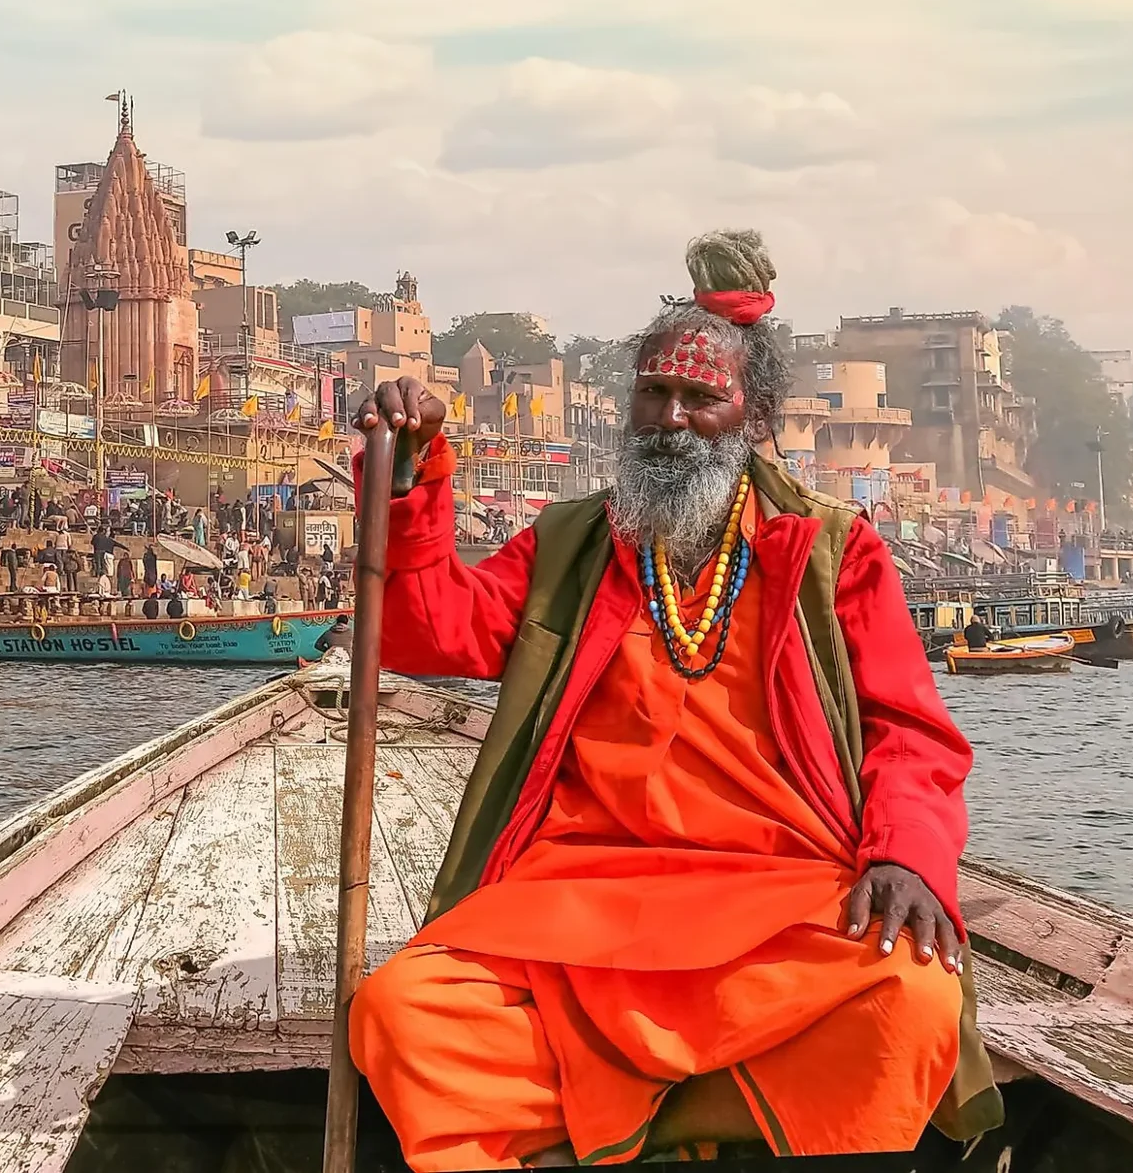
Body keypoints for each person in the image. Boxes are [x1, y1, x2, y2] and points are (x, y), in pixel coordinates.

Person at [346, 231, 987, 1168]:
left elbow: (912, 734)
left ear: (753, 413)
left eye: (702, 397)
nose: (673, 419)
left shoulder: (828, 552)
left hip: (777, 898)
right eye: (655, 393)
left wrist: (907, 859)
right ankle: (712, 1111)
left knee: (914, 999)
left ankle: (631, 1126)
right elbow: (426, 632)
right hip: (575, 897)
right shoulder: (573, 544)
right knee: (403, 1013)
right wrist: (407, 472)